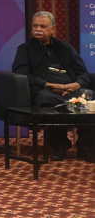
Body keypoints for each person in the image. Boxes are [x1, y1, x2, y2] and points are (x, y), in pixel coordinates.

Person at [12, 11, 95, 162]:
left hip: (71, 88)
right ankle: (59, 146)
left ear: (52, 29)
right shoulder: (25, 49)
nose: (38, 29)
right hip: (45, 89)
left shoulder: (65, 48)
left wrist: (75, 85)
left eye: (43, 26)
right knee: (47, 100)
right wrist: (48, 85)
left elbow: (83, 73)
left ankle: (86, 147)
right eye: (35, 26)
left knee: (88, 98)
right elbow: (22, 74)